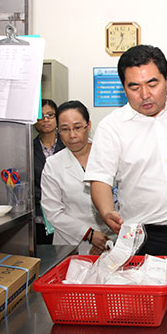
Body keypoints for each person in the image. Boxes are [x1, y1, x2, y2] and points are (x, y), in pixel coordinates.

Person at [84, 45, 167, 324]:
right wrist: (107, 211)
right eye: (134, 87)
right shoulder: (112, 127)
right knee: (151, 318)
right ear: (123, 87)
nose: (145, 95)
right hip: (147, 239)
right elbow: (100, 179)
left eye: (152, 83)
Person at [41, 100, 112, 255]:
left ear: (88, 125)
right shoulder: (53, 164)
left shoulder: (108, 155)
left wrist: (104, 239)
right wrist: (90, 235)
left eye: (78, 127)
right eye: (65, 129)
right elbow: (53, 213)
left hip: (112, 240)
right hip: (72, 244)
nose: (72, 135)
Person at [33, 99, 65, 244]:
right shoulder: (28, 148)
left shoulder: (68, 145)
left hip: (68, 212)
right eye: (41, 116)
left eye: (50, 115)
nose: (45, 120)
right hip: (40, 217)